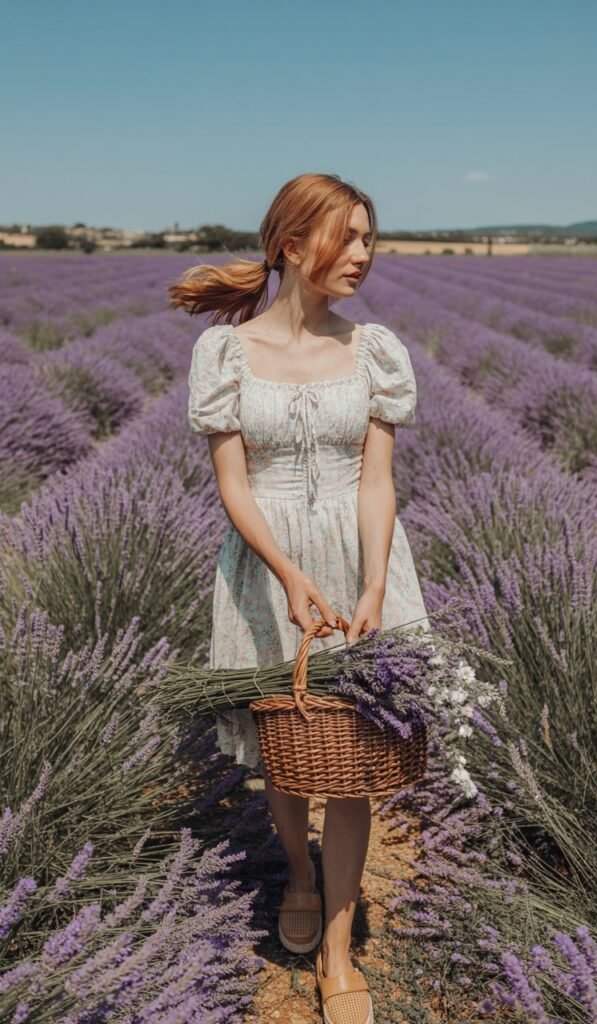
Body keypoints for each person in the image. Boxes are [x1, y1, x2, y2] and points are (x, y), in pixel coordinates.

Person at [168, 172, 431, 1024]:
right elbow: (233, 485)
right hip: (265, 567)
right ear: (289, 245)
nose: (362, 255)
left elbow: (378, 480)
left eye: (368, 239)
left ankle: (335, 947)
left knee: (350, 758)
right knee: (288, 746)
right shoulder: (227, 353)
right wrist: (286, 572)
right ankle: (298, 867)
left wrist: (374, 583)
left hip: (364, 564)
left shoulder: (375, 350)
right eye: (346, 238)